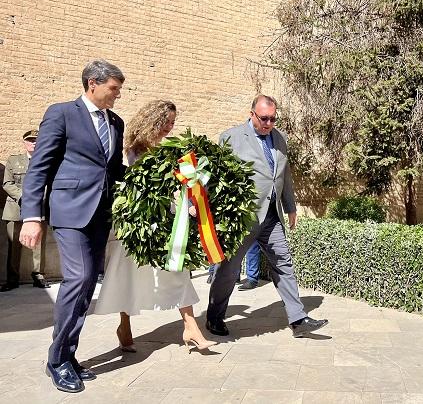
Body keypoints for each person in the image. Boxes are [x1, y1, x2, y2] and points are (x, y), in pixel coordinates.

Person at [19, 59, 126, 393]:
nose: (117, 95)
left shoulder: (115, 122)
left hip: (99, 215)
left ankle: (68, 353)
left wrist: (155, 174)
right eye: (114, 88)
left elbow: (111, 170)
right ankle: (57, 360)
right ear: (93, 83)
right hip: (69, 212)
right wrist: (32, 216)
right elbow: (40, 167)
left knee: (86, 283)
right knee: (78, 278)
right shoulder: (62, 113)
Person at [94, 100, 216, 354]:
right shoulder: (132, 151)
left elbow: (180, 185)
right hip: (136, 223)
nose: (169, 128)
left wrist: (190, 202)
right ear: (151, 120)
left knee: (176, 269)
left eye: (172, 123)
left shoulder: (172, 150)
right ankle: (124, 324)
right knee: (128, 275)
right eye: (165, 122)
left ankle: (190, 327)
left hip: (166, 220)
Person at [206, 94, 328, 338]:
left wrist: (290, 206)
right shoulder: (231, 137)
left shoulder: (279, 138)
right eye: (264, 118)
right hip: (243, 218)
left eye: (273, 119)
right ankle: (214, 317)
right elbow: (217, 177)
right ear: (252, 114)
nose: (269, 123)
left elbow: (284, 175)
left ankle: (298, 319)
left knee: (283, 263)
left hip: (272, 217)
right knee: (229, 270)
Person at [1, 129, 50, 292]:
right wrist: (25, 197)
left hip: (39, 206)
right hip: (16, 206)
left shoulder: (46, 160)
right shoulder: (14, 161)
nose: (34, 143)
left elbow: (49, 184)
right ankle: (12, 279)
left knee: (38, 244)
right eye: (30, 140)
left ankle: (38, 276)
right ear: (24, 143)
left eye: (36, 140)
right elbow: (7, 183)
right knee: (13, 244)